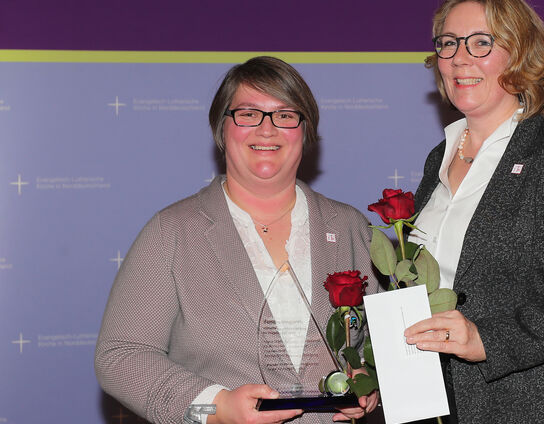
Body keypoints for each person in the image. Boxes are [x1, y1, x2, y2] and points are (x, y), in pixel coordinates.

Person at [95, 56, 379, 424]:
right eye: (248, 114)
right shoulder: (171, 233)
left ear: (305, 130)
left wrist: (370, 381)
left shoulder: (351, 227)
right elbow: (121, 357)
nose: (267, 129)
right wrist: (215, 408)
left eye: (285, 115)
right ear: (221, 128)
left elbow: (382, 344)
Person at [403, 1, 544, 422]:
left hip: (539, 410)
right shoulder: (439, 158)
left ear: (520, 53)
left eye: (480, 42)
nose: (459, 58)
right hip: (441, 406)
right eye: (448, 43)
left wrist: (486, 339)